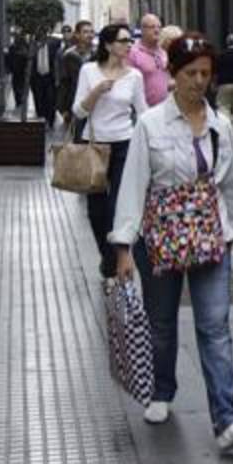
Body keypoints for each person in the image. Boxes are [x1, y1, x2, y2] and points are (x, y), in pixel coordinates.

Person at [110, 32, 233, 455]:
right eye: (191, 73)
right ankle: (162, 390)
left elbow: (227, 186)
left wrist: (230, 233)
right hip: (159, 241)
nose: (199, 81)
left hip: (210, 238)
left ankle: (227, 419)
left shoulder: (221, 125)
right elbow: (134, 184)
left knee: (215, 327)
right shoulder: (149, 124)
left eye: (205, 74)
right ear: (172, 74)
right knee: (160, 324)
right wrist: (124, 247)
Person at [72, 24, 149, 277]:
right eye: (123, 40)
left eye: (130, 40)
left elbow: (143, 112)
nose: (129, 45)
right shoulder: (89, 71)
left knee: (119, 205)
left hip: (125, 144)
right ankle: (107, 256)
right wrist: (96, 92)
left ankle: (119, 258)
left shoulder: (134, 76)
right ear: (107, 45)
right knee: (96, 210)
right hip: (94, 144)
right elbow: (78, 111)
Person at [57, 20, 94, 132]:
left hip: (95, 103)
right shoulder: (69, 56)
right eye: (85, 32)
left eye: (91, 32)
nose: (89, 35)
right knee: (77, 141)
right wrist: (63, 108)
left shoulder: (97, 55)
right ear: (77, 34)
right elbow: (64, 82)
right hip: (75, 103)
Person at [128, 13, 171, 107]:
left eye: (159, 27)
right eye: (152, 27)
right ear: (143, 30)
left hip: (166, 109)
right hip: (144, 111)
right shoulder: (133, 53)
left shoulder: (164, 52)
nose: (157, 30)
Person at [4, 33, 31, 114]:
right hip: (17, 72)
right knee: (18, 88)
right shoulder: (14, 48)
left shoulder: (25, 47)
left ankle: (21, 102)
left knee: (20, 88)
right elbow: (9, 59)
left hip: (22, 72)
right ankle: (19, 102)